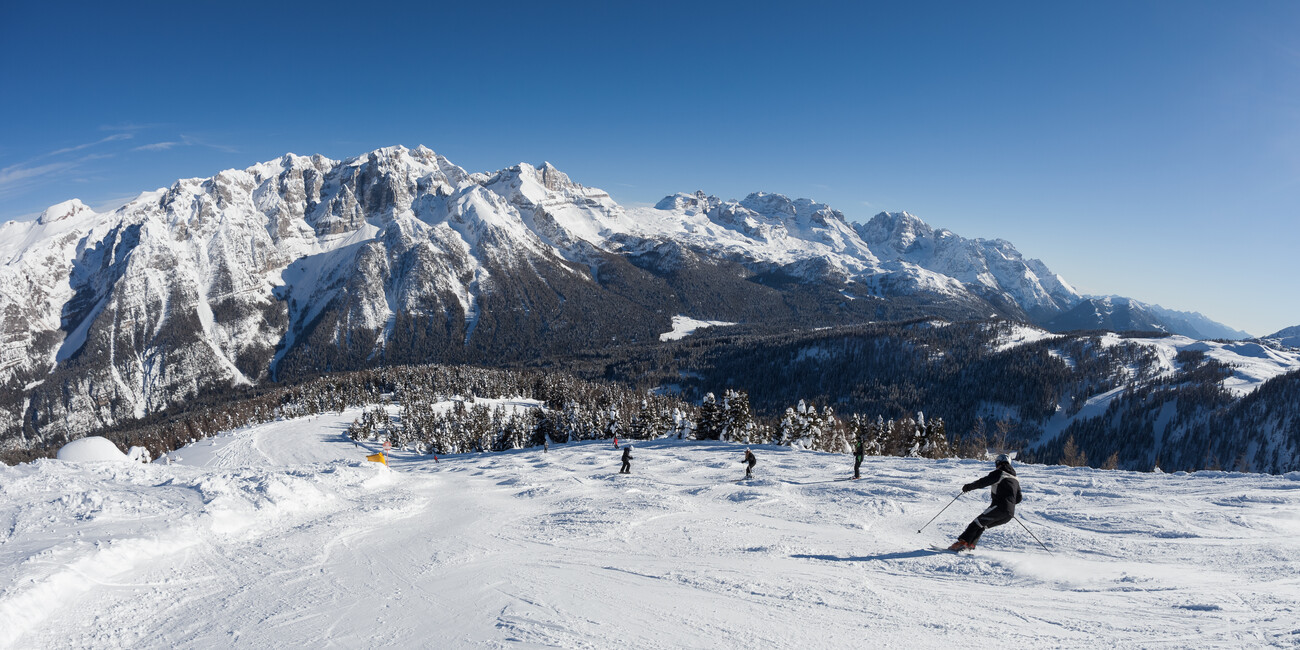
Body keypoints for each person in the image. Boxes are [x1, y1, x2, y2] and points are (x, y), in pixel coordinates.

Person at [948, 454, 1021, 551]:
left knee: (975, 524)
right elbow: (1019, 498)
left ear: (998, 463)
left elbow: (983, 482)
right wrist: (1009, 503)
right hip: (1009, 514)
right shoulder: (1015, 479)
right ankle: (969, 546)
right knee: (981, 526)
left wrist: (969, 487)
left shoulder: (1000, 473)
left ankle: (963, 543)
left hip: (999, 508)